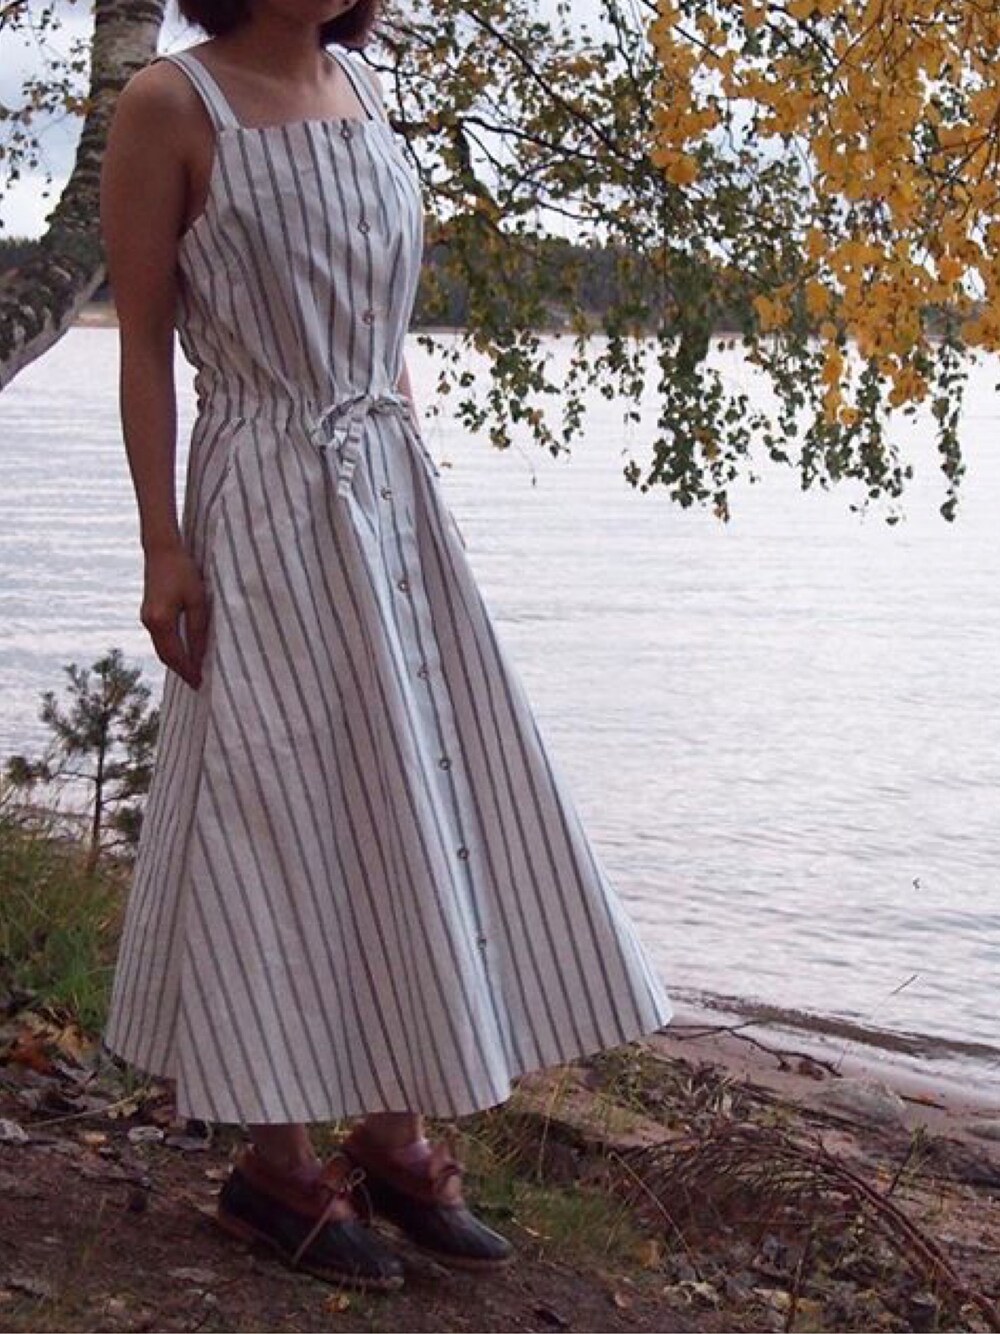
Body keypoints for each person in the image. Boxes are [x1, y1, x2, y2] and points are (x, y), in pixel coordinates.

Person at [99, 0, 673, 1291]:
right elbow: (142, 343)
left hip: (388, 492)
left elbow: (381, 329)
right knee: (280, 803)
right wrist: (161, 544)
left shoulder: (365, 89)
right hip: (261, 494)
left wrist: (412, 486)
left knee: (417, 787)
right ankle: (276, 1164)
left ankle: (394, 1129)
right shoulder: (171, 104)